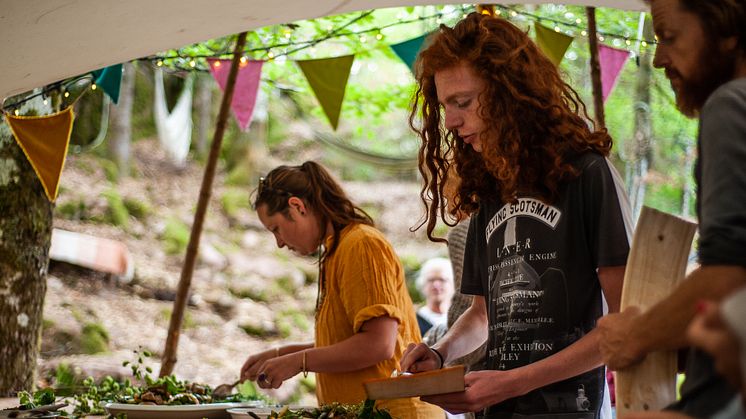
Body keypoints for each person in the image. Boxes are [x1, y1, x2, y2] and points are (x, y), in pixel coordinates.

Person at [400, 12, 631, 418]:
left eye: (463, 102)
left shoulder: (588, 173)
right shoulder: (490, 191)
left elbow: (623, 322)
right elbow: (482, 315)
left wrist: (513, 382)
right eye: (445, 106)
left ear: (510, 92)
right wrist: (440, 353)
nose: (451, 121)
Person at [596, 0, 746, 416]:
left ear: (728, 29)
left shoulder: (732, 105)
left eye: (670, 36)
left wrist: (636, 334)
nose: (659, 58)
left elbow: (730, 279)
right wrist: (680, 334)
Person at [239, 161, 442, 418]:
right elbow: (346, 340)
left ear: (297, 206)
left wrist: (298, 362)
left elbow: (379, 344)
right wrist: (283, 354)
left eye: (276, 229)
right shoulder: (338, 251)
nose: (279, 243)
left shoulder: (361, 244)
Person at [415, 257, 455, 336]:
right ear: (422, 285)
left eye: (442, 280)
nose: (436, 285)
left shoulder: (460, 320)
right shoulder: (414, 320)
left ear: (453, 285)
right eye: (431, 280)